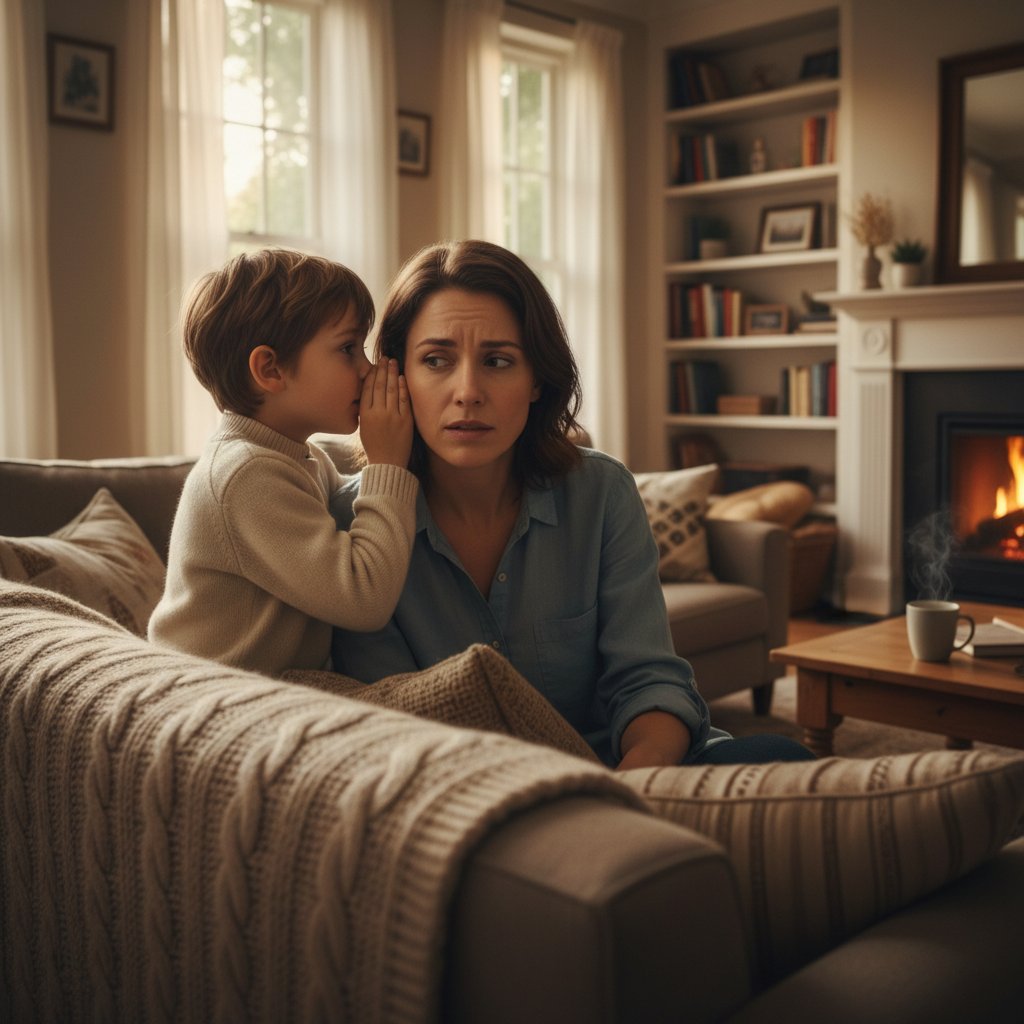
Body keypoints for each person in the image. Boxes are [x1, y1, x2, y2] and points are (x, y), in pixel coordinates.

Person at [330, 240, 813, 769]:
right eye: (436, 360)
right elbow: (394, 726)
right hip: (465, 793)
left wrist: (634, 786)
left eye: (497, 360)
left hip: (622, 769)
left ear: (537, 379)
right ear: (395, 378)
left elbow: (649, 680)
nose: (468, 391)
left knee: (785, 758)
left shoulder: (601, 493)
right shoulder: (353, 527)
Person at [149, 248, 419, 677]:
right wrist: (387, 464)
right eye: (348, 349)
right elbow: (364, 597)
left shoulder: (296, 457)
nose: (368, 370)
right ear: (271, 369)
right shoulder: (245, 475)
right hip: (212, 693)